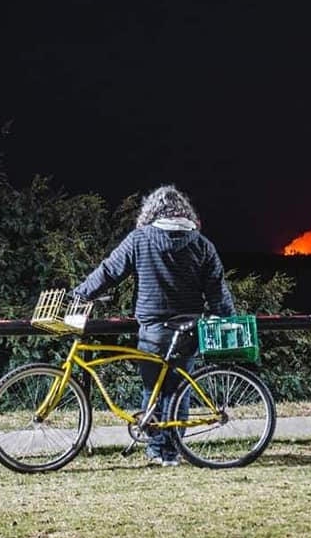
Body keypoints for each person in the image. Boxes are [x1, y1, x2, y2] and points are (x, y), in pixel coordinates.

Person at [73, 184, 235, 466]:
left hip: (153, 328)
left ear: (151, 211)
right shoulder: (201, 244)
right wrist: (228, 319)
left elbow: (110, 271)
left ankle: (157, 450)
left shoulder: (140, 239)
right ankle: (172, 452)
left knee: (153, 388)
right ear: (185, 211)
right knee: (179, 389)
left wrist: (81, 294)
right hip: (189, 328)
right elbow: (217, 290)